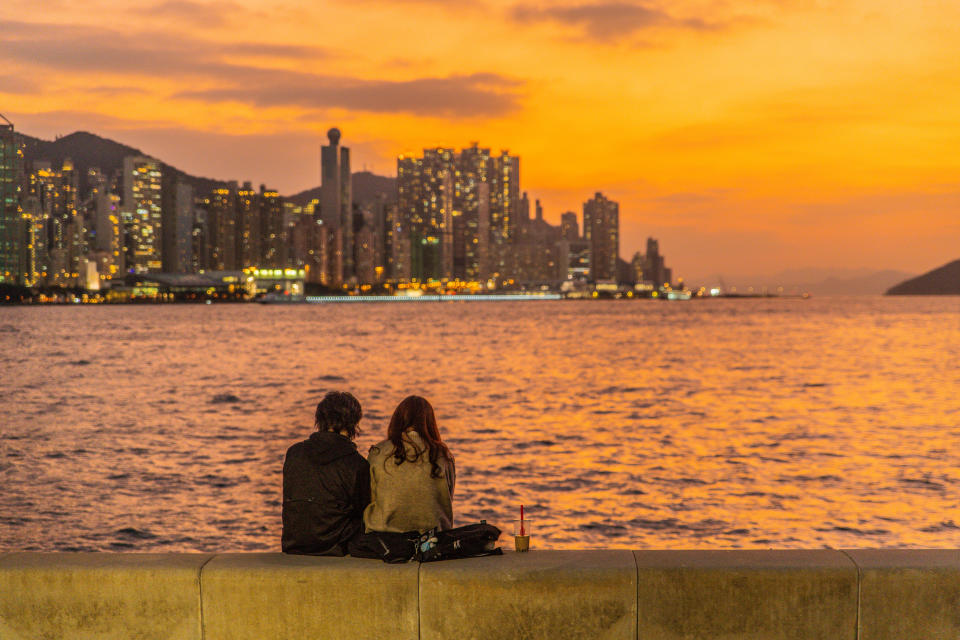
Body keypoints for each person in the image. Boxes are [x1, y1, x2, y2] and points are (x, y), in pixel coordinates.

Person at [281, 391, 370, 555]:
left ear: (320, 420)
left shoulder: (294, 453)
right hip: (334, 544)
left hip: (294, 542)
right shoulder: (356, 464)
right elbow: (365, 510)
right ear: (353, 423)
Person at [363, 395, 455, 534]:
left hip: (384, 536)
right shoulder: (443, 454)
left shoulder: (378, 452)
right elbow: (447, 497)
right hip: (433, 537)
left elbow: (370, 497)